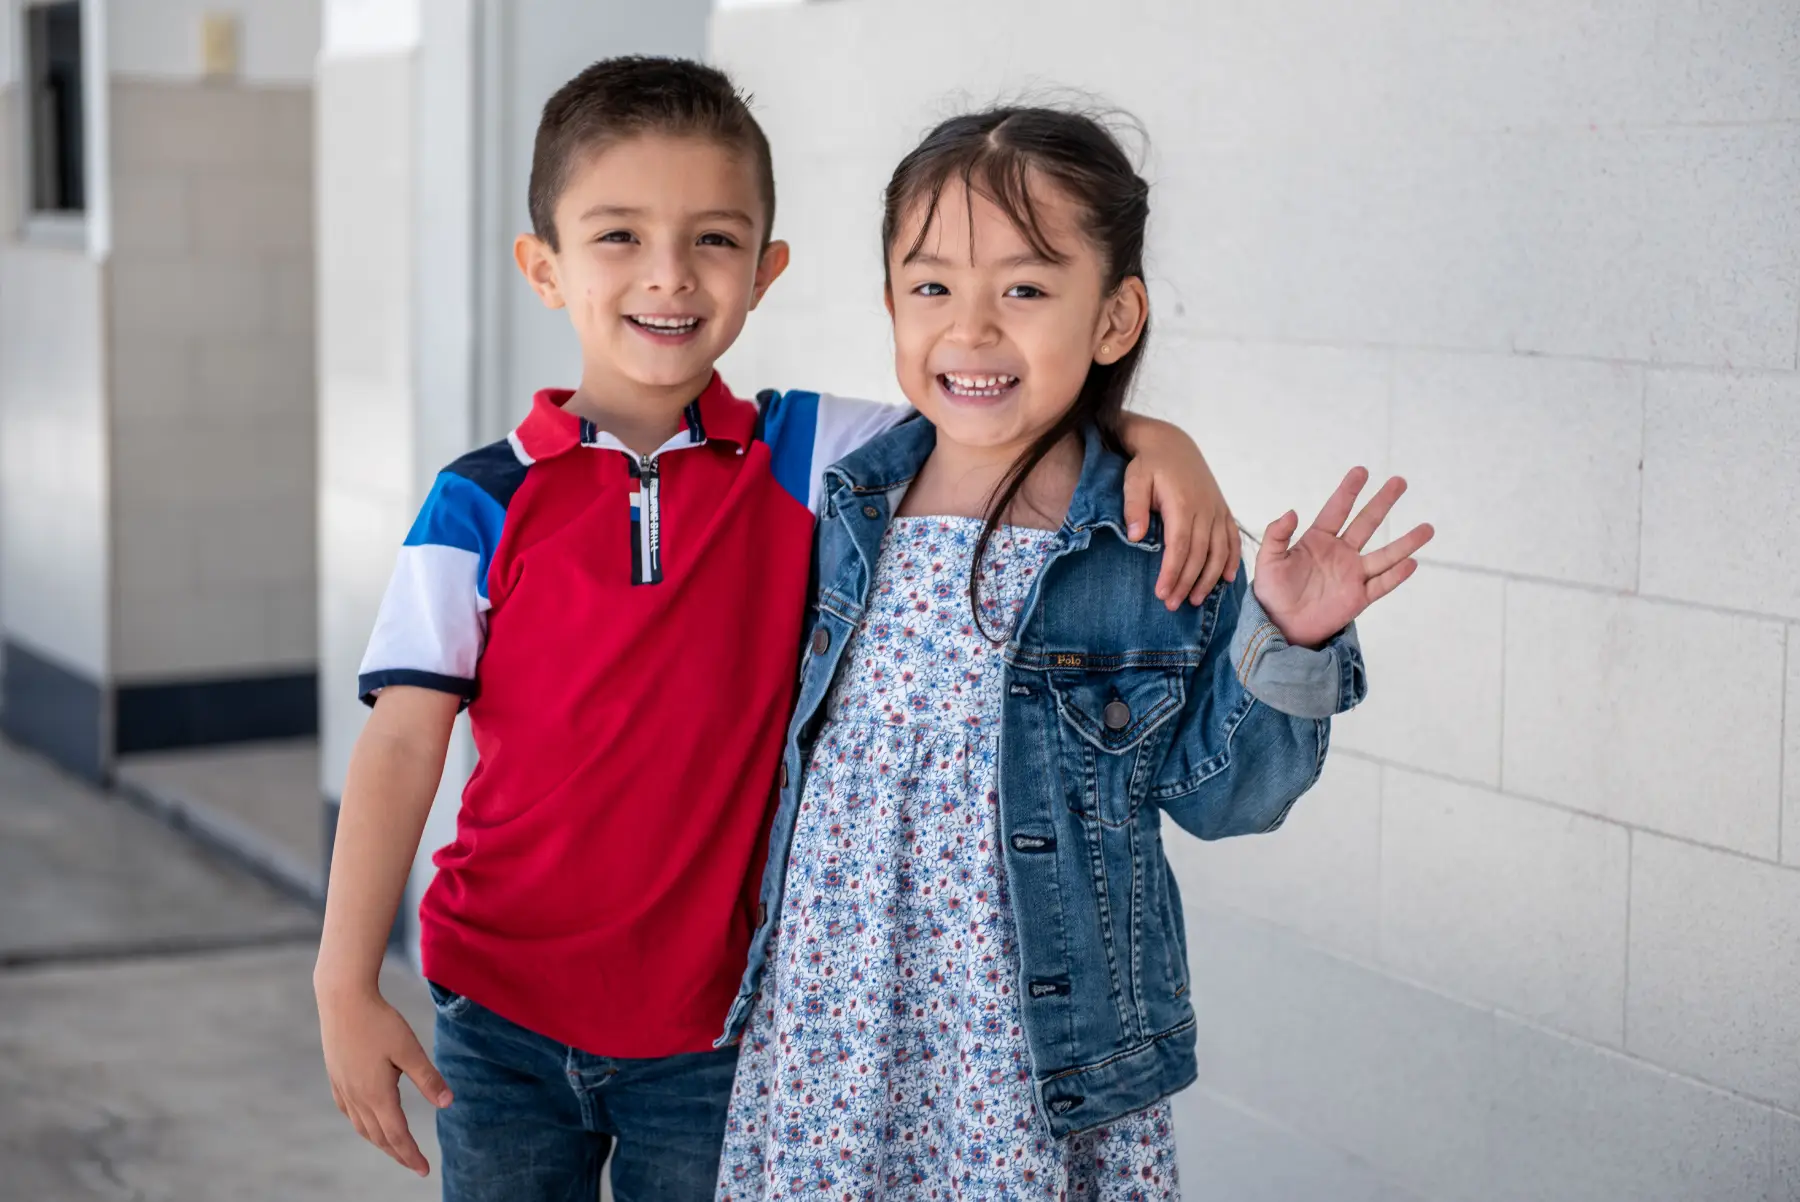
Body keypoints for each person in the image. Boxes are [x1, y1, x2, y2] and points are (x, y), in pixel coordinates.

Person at [313, 59, 1240, 1202]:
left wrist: (1158, 439)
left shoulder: (811, 458)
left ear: (765, 270)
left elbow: (998, 397)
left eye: (712, 238)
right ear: (542, 268)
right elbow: (403, 744)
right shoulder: (477, 501)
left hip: (712, 1033)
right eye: (617, 236)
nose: (667, 273)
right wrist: (343, 979)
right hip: (497, 1015)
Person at [714, 104, 1434, 1200]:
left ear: (1114, 317)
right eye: (932, 286)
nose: (972, 328)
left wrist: (1291, 635)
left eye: (1026, 288)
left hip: (1032, 1056)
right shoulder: (839, 485)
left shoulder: (1152, 543)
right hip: (833, 1034)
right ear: (890, 303)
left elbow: (1222, 798)